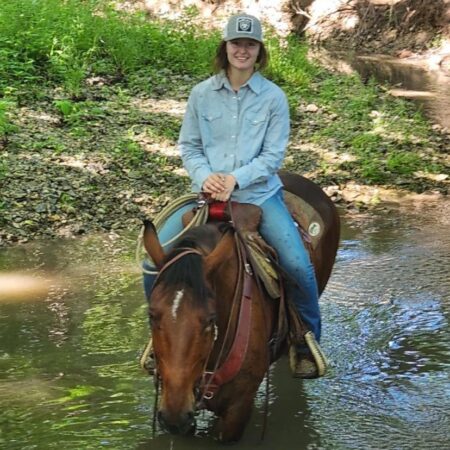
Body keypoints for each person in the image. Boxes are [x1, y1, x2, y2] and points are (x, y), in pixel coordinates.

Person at [143, 13, 323, 378]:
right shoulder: (201, 94)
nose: (243, 50)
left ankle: (306, 340)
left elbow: (273, 156)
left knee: (296, 262)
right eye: (236, 43)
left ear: (260, 52)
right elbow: (189, 145)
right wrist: (206, 176)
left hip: (258, 195)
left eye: (250, 44)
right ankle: (162, 336)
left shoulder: (274, 98)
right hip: (207, 195)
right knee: (152, 263)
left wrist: (234, 181)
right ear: (224, 48)